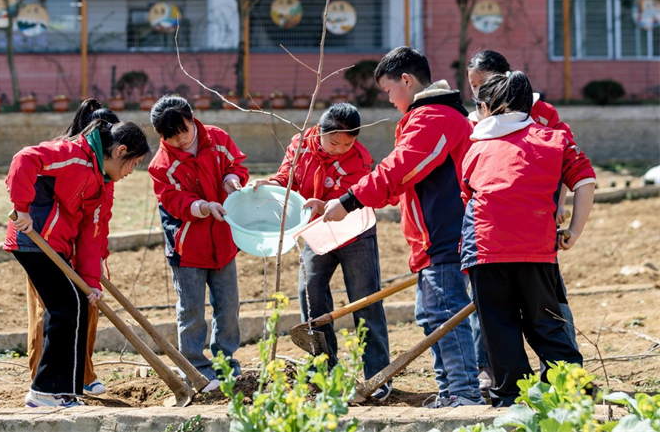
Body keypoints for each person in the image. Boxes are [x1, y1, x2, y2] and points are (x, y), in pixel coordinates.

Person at [322, 47, 484, 408]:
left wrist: (349, 200)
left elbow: (399, 169)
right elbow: (404, 182)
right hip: (432, 238)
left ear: (407, 81)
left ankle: (464, 392)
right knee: (433, 315)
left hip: (445, 234)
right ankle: (450, 391)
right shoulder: (434, 116)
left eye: (389, 90)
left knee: (444, 312)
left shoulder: (434, 117)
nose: (390, 99)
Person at [460, 70, 595, 407]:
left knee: (499, 328)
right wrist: (574, 231)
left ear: (491, 107)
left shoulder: (477, 148)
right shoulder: (553, 138)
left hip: (486, 250)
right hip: (536, 249)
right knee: (546, 324)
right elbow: (585, 180)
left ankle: (512, 399)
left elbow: (468, 197)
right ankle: (570, 394)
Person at [5, 117, 150, 408]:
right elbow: (24, 159)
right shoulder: (73, 155)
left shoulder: (99, 179)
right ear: (120, 151)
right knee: (64, 308)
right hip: (34, 240)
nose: (132, 171)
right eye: (134, 164)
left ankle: (64, 391)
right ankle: (43, 392)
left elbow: (89, 237)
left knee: (78, 303)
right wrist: (21, 207)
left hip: (57, 246)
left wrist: (92, 283)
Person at [251, 104, 392, 401]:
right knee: (310, 293)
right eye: (334, 142)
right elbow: (286, 179)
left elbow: (348, 201)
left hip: (355, 233)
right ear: (320, 132)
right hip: (317, 234)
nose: (340, 149)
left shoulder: (360, 159)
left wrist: (322, 203)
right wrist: (270, 185)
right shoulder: (300, 145)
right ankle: (324, 370)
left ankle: (378, 375)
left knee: (365, 300)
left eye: (348, 143)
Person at [147, 95, 249, 392]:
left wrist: (232, 180)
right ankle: (195, 367)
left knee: (228, 307)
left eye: (184, 131)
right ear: (161, 136)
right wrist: (204, 207)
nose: (180, 140)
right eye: (172, 137)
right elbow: (174, 201)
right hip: (188, 246)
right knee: (191, 311)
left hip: (224, 242)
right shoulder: (161, 166)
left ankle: (226, 363)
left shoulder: (217, 139)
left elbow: (237, 165)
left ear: (192, 119)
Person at [26, 99, 119, 397]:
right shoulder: (66, 157)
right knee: (51, 312)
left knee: (87, 311)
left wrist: (96, 255)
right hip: (50, 247)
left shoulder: (106, 168)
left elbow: (99, 215)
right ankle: (42, 378)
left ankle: (81, 373)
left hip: (83, 250)